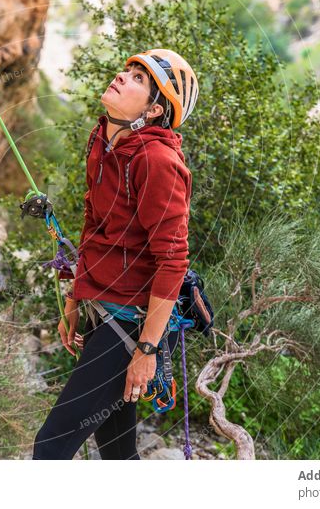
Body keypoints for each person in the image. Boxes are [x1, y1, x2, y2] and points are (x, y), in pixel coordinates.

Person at [32, 49, 198, 460]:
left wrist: (146, 350)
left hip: (130, 327)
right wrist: (75, 298)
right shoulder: (104, 139)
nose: (123, 77)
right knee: (117, 453)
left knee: (50, 446)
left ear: (155, 110)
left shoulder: (157, 161)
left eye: (139, 79)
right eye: (128, 71)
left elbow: (173, 260)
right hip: (101, 309)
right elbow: (96, 224)